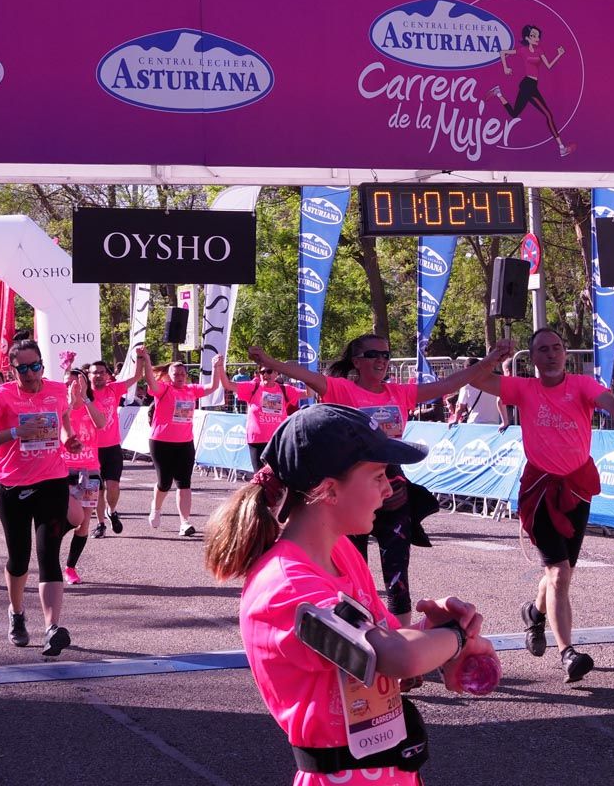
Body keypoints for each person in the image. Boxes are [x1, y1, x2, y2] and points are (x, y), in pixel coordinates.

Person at [203, 404, 497, 785]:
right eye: (377, 475)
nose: (389, 488)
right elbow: (394, 656)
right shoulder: (287, 588)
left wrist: (433, 631)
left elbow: (385, 641)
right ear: (328, 489)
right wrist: (455, 639)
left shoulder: (339, 552)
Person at [250, 334, 512, 625]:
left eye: (386, 355)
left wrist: (490, 361)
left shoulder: (399, 393)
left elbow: (449, 384)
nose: (382, 361)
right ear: (357, 362)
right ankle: (358, 640)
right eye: (374, 355)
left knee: (397, 576)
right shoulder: (341, 389)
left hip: (392, 490)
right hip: (351, 492)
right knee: (352, 569)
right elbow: (306, 375)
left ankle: (402, 645)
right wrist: (270, 362)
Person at [468, 326, 614, 683]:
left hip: (576, 487)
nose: (551, 353)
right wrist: (495, 357)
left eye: (557, 347)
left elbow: (610, 403)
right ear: (532, 359)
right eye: (543, 349)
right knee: (559, 573)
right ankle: (568, 653)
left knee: (561, 574)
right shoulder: (523, 388)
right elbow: (478, 381)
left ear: (565, 352)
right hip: (542, 490)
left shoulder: (582, 385)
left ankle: (534, 613)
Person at [0, 338, 84, 656]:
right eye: (24, 369)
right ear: (12, 368)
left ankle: (52, 629)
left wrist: (69, 440)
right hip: (13, 486)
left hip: (53, 481)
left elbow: (63, 425)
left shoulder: (57, 391)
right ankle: (17, 613)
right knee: (19, 559)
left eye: (36, 366)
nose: (32, 374)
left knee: (49, 556)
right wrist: (14, 433)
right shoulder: (0, 396)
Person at [141, 350, 232, 537]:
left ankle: (185, 522)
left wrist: (217, 367)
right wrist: (147, 360)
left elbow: (213, 387)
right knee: (164, 482)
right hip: (161, 442)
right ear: (169, 376)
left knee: (184, 483)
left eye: (183, 374)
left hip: (185, 443)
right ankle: (156, 508)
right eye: (176, 374)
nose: (180, 377)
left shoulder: (191, 390)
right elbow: (150, 381)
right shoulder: (164, 389)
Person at [489, 23, 574, 157]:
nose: (537, 38)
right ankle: (561, 147)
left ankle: (498, 93)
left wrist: (559, 54)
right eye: (533, 36)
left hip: (532, 85)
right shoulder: (523, 50)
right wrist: (505, 67)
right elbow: (502, 52)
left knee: (514, 114)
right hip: (527, 85)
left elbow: (549, 66)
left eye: (538, 36)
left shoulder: (540, 50)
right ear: (527, 38)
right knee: (548, 115)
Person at [85, 356, 144, 537]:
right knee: (97, 489)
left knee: (113, 486)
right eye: (95, 373)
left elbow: (136, 377)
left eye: (102, 373)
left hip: (112, 448)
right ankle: (101, 524)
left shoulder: (114, 389)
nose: (99, 376)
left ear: (107, 375)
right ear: (88, 375)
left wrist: (140, 358)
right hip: (92, 449)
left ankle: (112, 511)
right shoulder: (84, 394)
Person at [60, 368, 108, 585]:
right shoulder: (61, 409)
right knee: (69, 518)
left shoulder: (92, 408)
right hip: (64, 472)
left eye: (76, 383)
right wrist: (69, 402)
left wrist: (85, 397)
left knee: (84, 523)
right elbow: (62, 430)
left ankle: (70, 567)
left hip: (90, 471)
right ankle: (49, 555)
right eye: (68, 383)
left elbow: (101, 424)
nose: (72, 387)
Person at [237, 363, 311, 469]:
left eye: (269, 371)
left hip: (278, 440)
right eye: (262, 372)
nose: (265, 374)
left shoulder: (285, 389)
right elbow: (227, 385)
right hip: (258, 440)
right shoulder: (254, 387)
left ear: (276, 373)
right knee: (260, 478)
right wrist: (218, 367)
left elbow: (309, 394)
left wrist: (306, 377)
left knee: (279, 477)